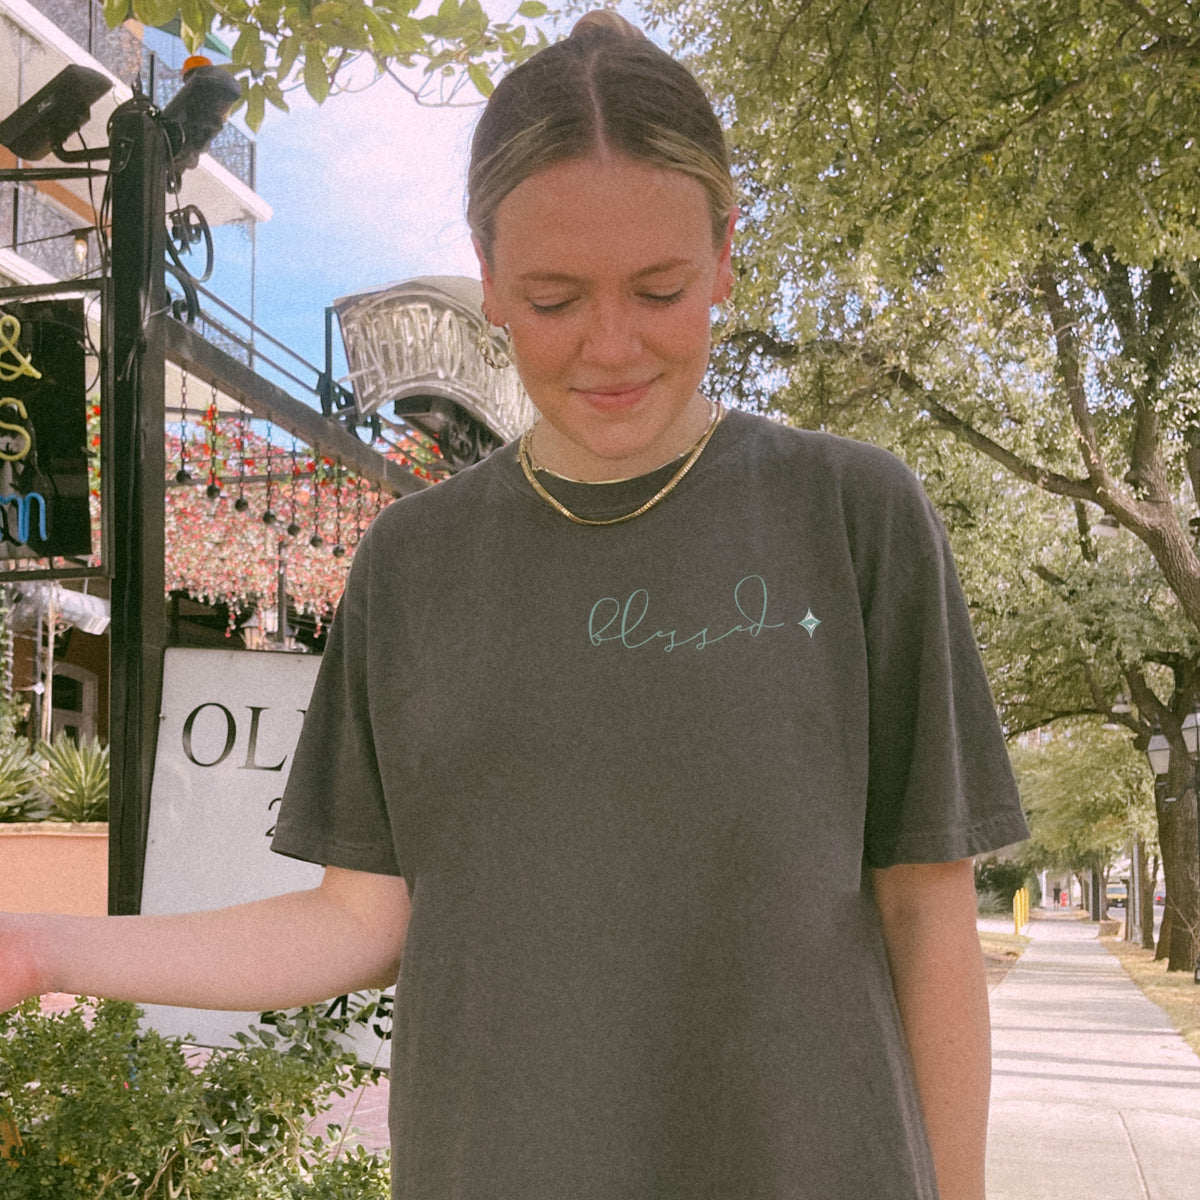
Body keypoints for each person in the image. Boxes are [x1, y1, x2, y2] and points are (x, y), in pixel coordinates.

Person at [0, 12, 1028, 1199]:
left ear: (725, 256)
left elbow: (927, 917)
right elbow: (359, 922)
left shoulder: (854, 517)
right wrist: (42, 946)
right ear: (488, 276)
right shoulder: (414, 564)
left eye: (659, 289)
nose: (611, 345)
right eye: (553, 298)